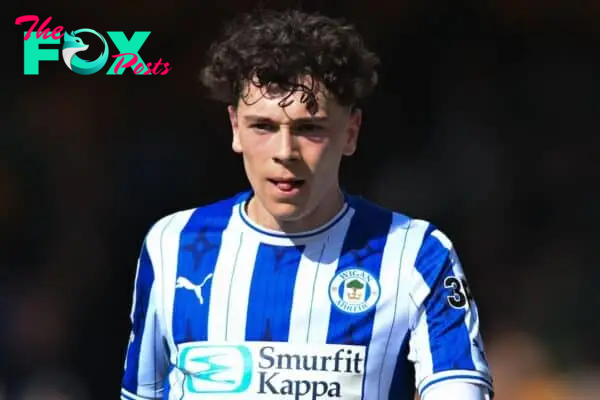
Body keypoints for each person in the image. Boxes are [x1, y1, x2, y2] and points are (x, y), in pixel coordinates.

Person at [120, 9, 493, 400]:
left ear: (350, 133)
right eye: (263, 126)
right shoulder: (173, 243)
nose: (285, 151)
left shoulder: (415, 253)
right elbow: (143, 392)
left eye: (309, 128)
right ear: (235, 128)